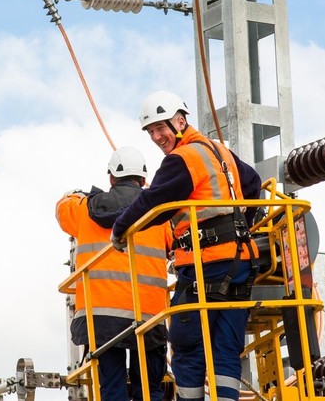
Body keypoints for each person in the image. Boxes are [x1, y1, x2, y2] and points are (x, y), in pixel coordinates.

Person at [111, 91, 262, 401]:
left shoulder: (181, 159)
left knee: (188, 344)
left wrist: (120, 229)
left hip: (205, 265)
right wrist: (238, 224)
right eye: (151, 131)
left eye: (161, 128)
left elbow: (152, 201)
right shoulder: (218, 151)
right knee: (225, 347)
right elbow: (253, 183)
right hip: (239, 263)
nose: (156, 136)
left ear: (180, 121)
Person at [57, 146, 174, 401]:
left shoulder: (85, 209)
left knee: (111, 391)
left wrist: (76, 194)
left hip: (99, 317)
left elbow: (62, 208)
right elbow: (174, 244)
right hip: (148, 316)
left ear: (111, 178)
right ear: (144, 180)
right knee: (149, 391)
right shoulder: (158, 214)